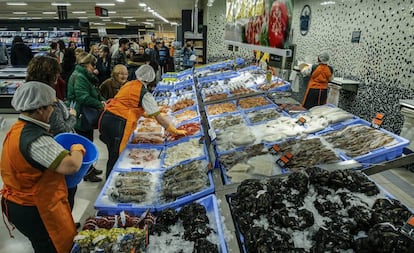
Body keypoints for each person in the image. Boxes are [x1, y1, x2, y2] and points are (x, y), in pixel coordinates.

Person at [0, 81, 85, 253]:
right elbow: (72, 166)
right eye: (51, 106)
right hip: (33, 207)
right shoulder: (36, 138)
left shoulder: (19, 128)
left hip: (19, 201)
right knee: (50, 247)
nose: (53, 110)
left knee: (42, 245)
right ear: (39, 109)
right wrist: (78, 147)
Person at [99, 65, 187, 179]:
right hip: (118, 123)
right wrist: (172, 129)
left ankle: (112, 177)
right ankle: (111, 181)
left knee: (112, 152)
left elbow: (128, 104)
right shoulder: (144, 93)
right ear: (151, 78)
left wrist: (146, 113)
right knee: (115, 156)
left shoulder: (130, 84)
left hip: (107, 119)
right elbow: (159, 118)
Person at [67, 53, 105, 182]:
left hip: (83, 114)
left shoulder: (84, 76)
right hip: (80, 114)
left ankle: (90, 168)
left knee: (88, 141)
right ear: (86, 64)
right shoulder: (80, 77)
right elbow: (83, 97)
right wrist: (99, 104)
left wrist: (102, 100)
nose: (94, 67)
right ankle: (87, 172)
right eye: (93, 64)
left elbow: (93, 92)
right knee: (84, 143)